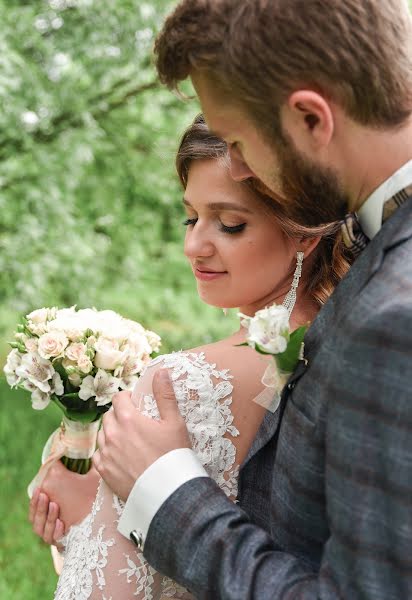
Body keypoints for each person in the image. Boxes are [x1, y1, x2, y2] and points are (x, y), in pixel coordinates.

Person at [89, 1, 412, 598]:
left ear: (311, 119)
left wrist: (167, 492)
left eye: (237, 140)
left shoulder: (395, 315)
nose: (235, 164)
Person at [29, 115, 349, 598]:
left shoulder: (180, 384)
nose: (194, 245)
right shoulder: (345, 347)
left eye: (229, 223)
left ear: (304, 231)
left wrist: (84, 523)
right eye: (191, 217)